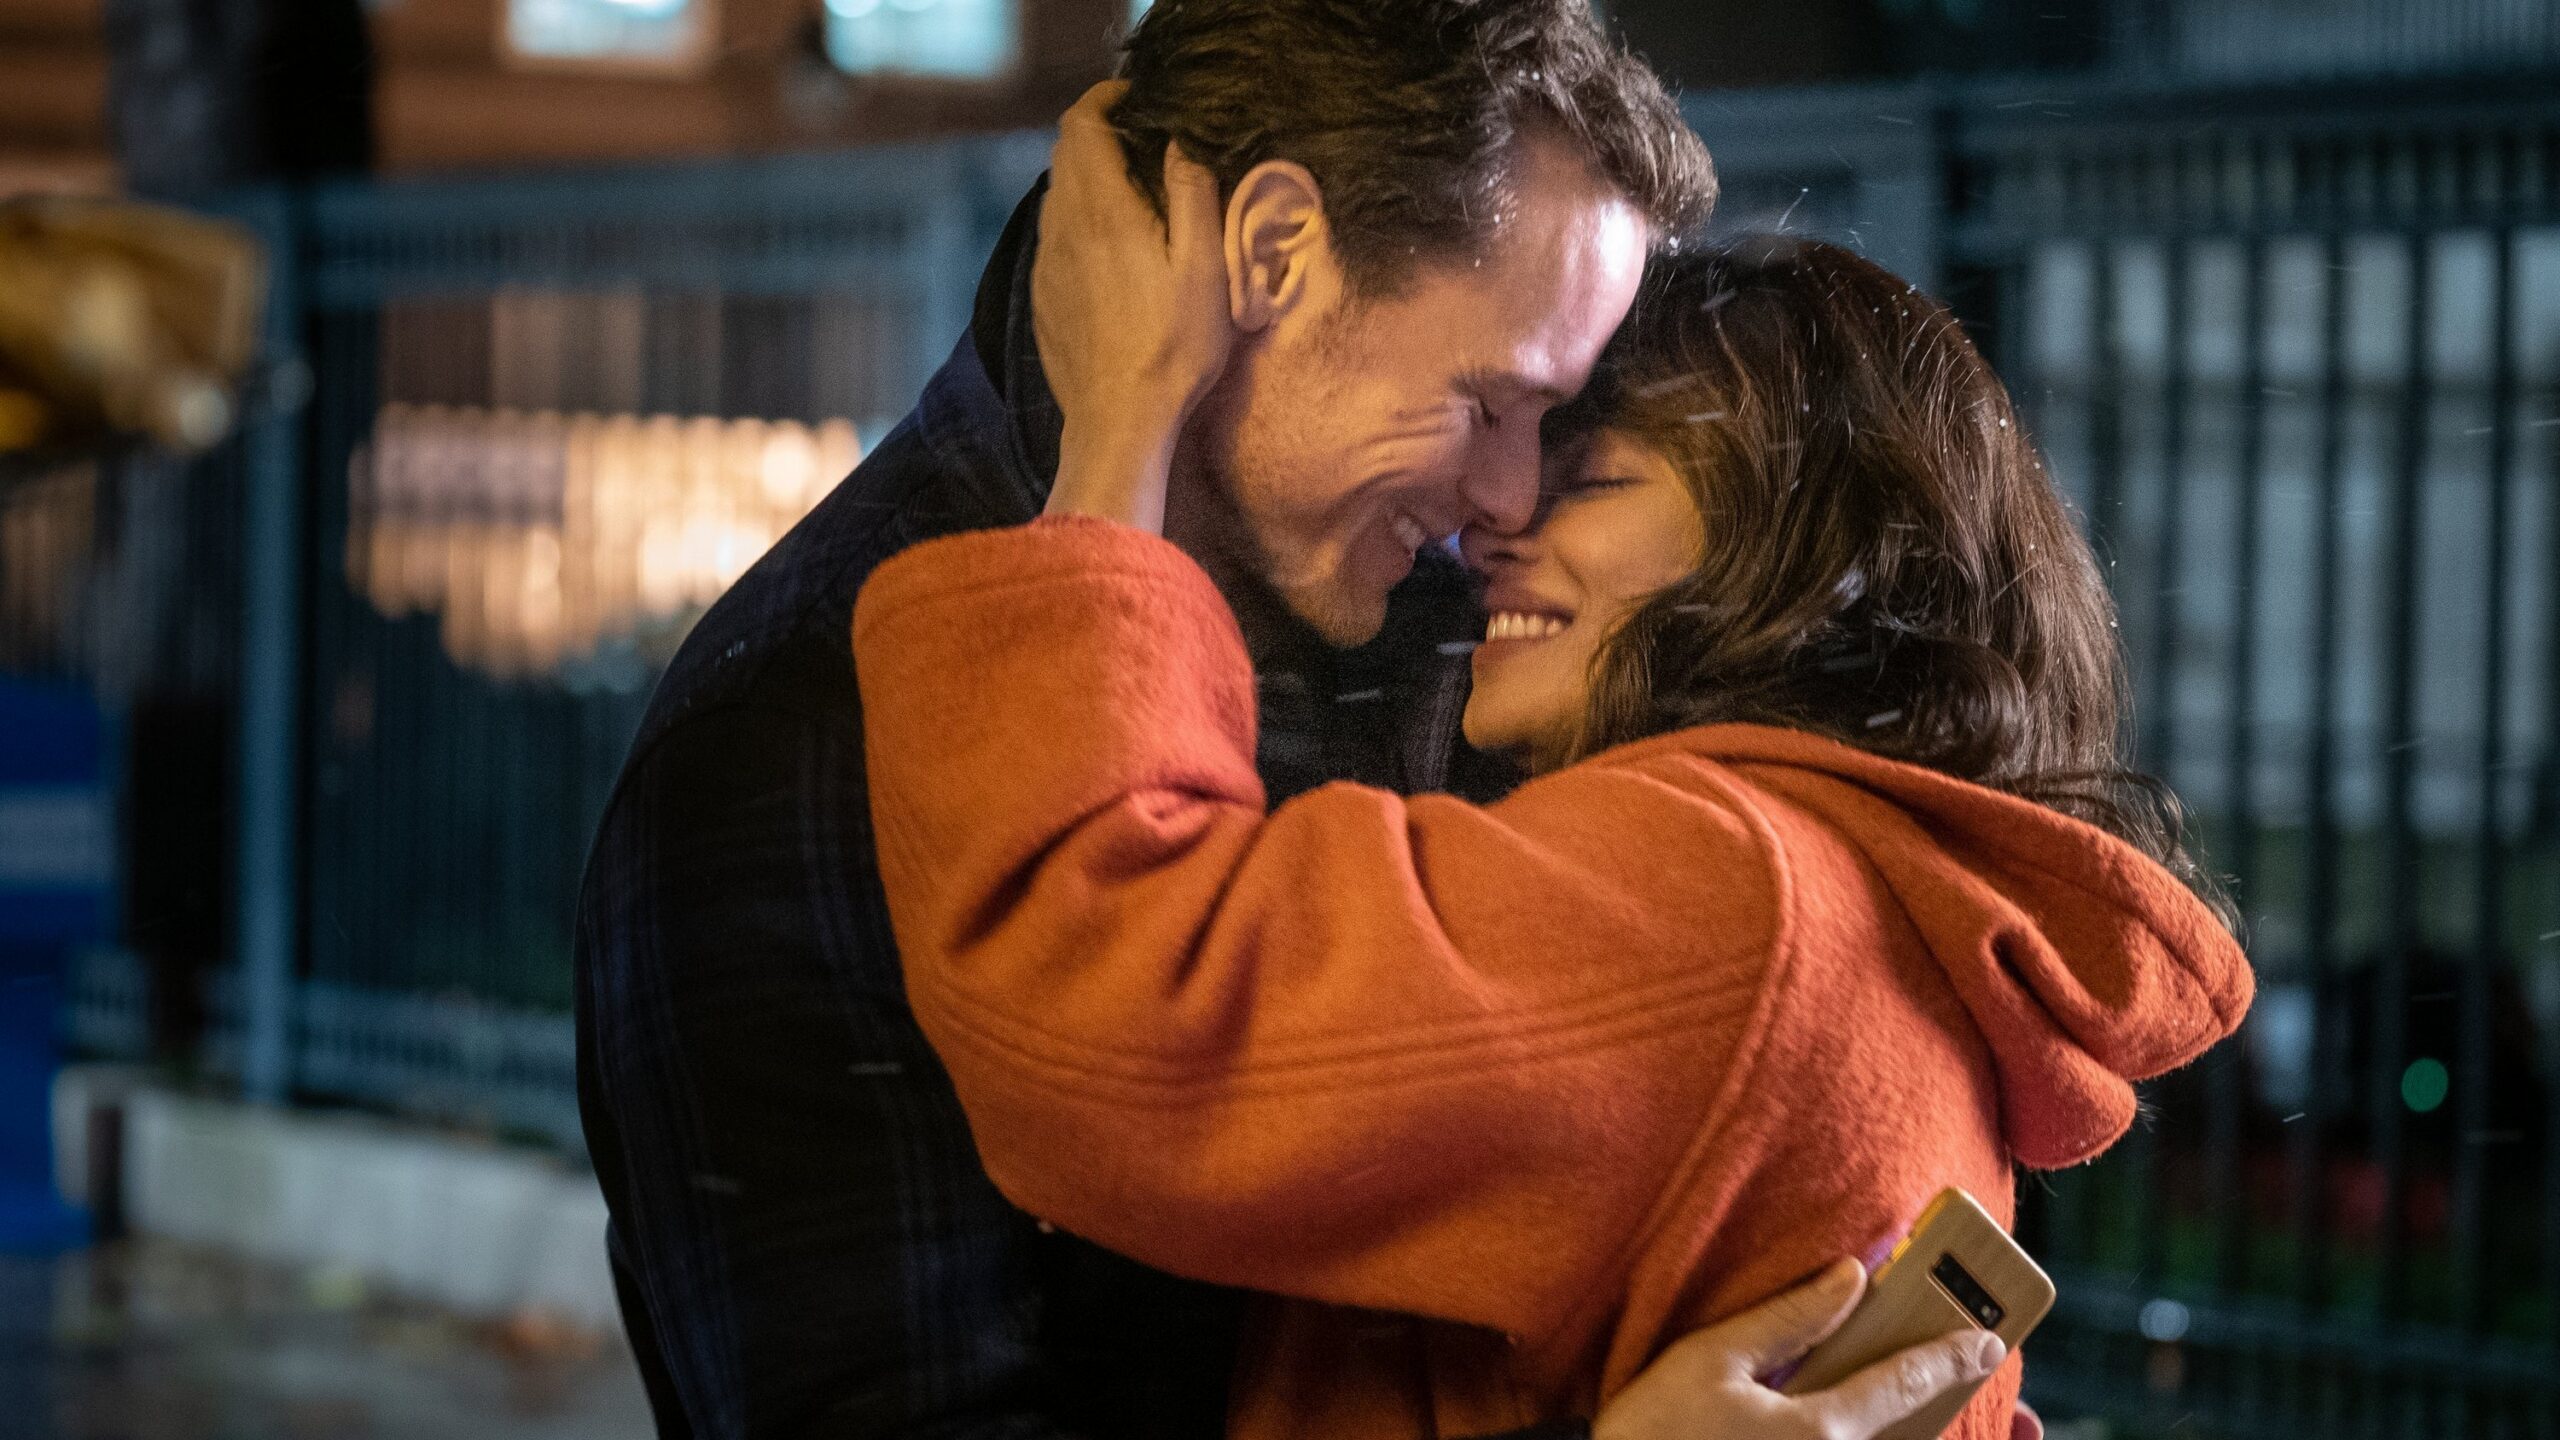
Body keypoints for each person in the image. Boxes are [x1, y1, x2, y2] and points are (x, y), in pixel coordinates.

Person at [574, 1, 2006, 1436]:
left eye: (1563, 434)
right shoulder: (782, 740)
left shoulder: (1449, 627)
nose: (1512, 502)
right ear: (1269, 254)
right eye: (1488, 403)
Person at [849, 129, 2256, 1438]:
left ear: (1803, 550)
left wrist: (1122, 430)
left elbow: (1110, 1021)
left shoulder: (1727, 884)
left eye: (1591, 481)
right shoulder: (1878, 901)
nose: (1499, 518)